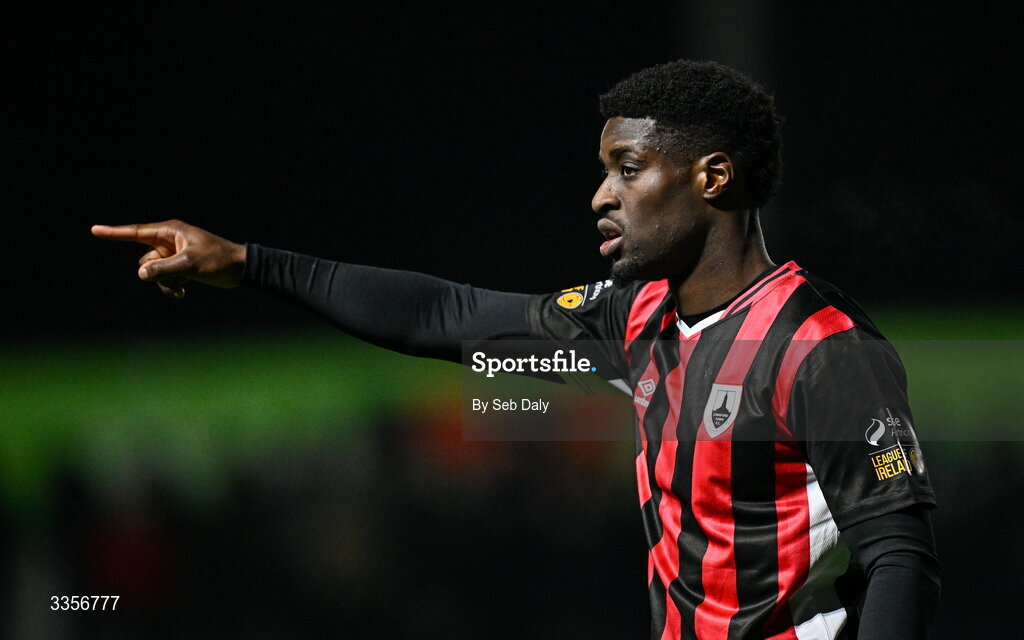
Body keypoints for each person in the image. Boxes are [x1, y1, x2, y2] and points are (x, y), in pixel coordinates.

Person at [93, 60, 939, 639]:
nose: (602, 195)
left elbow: (899, 557)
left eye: (629, 167)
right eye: (605, 170)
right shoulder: (631, 320)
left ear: (711, 177)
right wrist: (247, 264)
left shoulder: (821, 346)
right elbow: (450, 314)